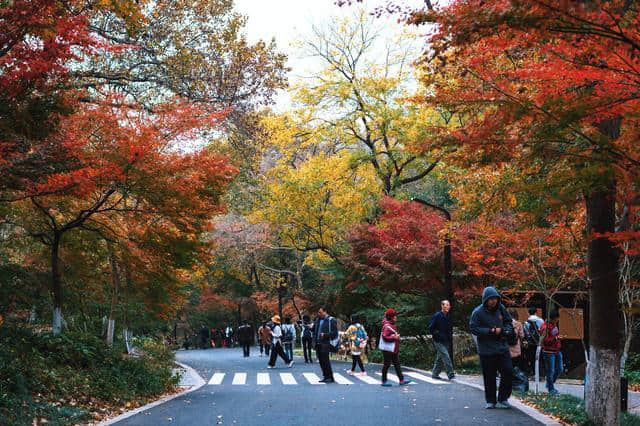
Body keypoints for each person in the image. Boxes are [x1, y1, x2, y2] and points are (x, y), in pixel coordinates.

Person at [469, 286, 514, 409]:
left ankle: (503, 398)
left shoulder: (501, 308)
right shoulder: (478, 312)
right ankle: (491, 400)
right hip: (486, 350)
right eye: (491, 299)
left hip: (502, 348)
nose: (493, 301)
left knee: (508, 371)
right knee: (489, 376)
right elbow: (473, 328)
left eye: (495, 298)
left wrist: (506, 330)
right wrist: (491, 331)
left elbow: (508, 322)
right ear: (485, 299)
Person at [379, 308, 413, 387]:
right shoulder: (387, 326)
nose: (396, 317)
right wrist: (395, 337)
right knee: (386, 364)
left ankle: (401, 380)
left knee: (397, 364)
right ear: (391, 317)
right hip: (388, 349)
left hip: (393, 349)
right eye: (395, 316)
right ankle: (384, 381)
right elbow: (385, 337)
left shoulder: (391, 324)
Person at [429, 300, 455, 380]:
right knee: (446, 356)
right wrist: (437, 335)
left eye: (448, 305)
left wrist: (450, 339)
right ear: (442, 306)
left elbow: (449, 330)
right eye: (445, 305)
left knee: (440, 358)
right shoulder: (437, 315)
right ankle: (451, 374)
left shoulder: (448, 317)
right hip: (438, 341)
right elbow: (431, 328)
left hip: (446, 341)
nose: (447, 306)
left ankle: (435, 374)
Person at [313, 306, 338, 383]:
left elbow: (335, 333)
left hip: (326, 343)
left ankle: (330, 377)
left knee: (325, 361)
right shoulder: (318, 320)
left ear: (325, 311)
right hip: (318, 343)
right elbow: (315, 330)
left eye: (320, 312)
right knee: (321, 361)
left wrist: (326, 335)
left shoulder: (331, 320)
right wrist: (309, 327)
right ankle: (325, 376)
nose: (319, 314)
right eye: (318, 312)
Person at [540, 310, 562, 395]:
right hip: (548, 351)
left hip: (557, 349)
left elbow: (554, 335)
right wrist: (556, 338)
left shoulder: (554, 324)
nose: (558, 320)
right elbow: (545, 341)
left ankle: (549, 383)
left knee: (560, 368)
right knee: (550, 370)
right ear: (553, 319)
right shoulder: (544, 327)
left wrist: (557, 338)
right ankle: (551, 389)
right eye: (557, 319)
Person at [524, 306, 543, 374]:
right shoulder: (541, 320)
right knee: (539, 358)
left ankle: (533, 372)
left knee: (532, 358)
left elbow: (526, 333)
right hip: (539, 342)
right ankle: (540, 373)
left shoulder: (526, 323)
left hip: (531, 343)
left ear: (528, 313)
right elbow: (543, 331)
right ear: (536, 312)